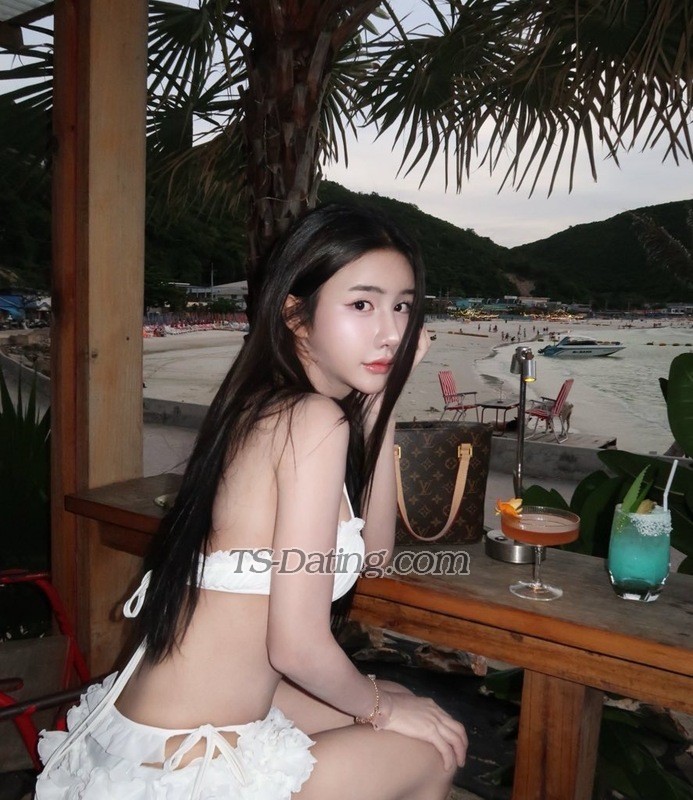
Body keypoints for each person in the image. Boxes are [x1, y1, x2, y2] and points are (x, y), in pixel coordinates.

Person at [36, 204, 468, 800]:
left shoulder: (266, 403)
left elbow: (374, 558)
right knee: (430, 749)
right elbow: (297, 645)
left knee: (401, 705)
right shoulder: (311, 420)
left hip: (174, 721)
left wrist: (382, 404)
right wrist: (381, 708)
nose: (392, 333)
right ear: (296, 314)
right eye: (362, 305)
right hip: (190, 755)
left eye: (403, 306)